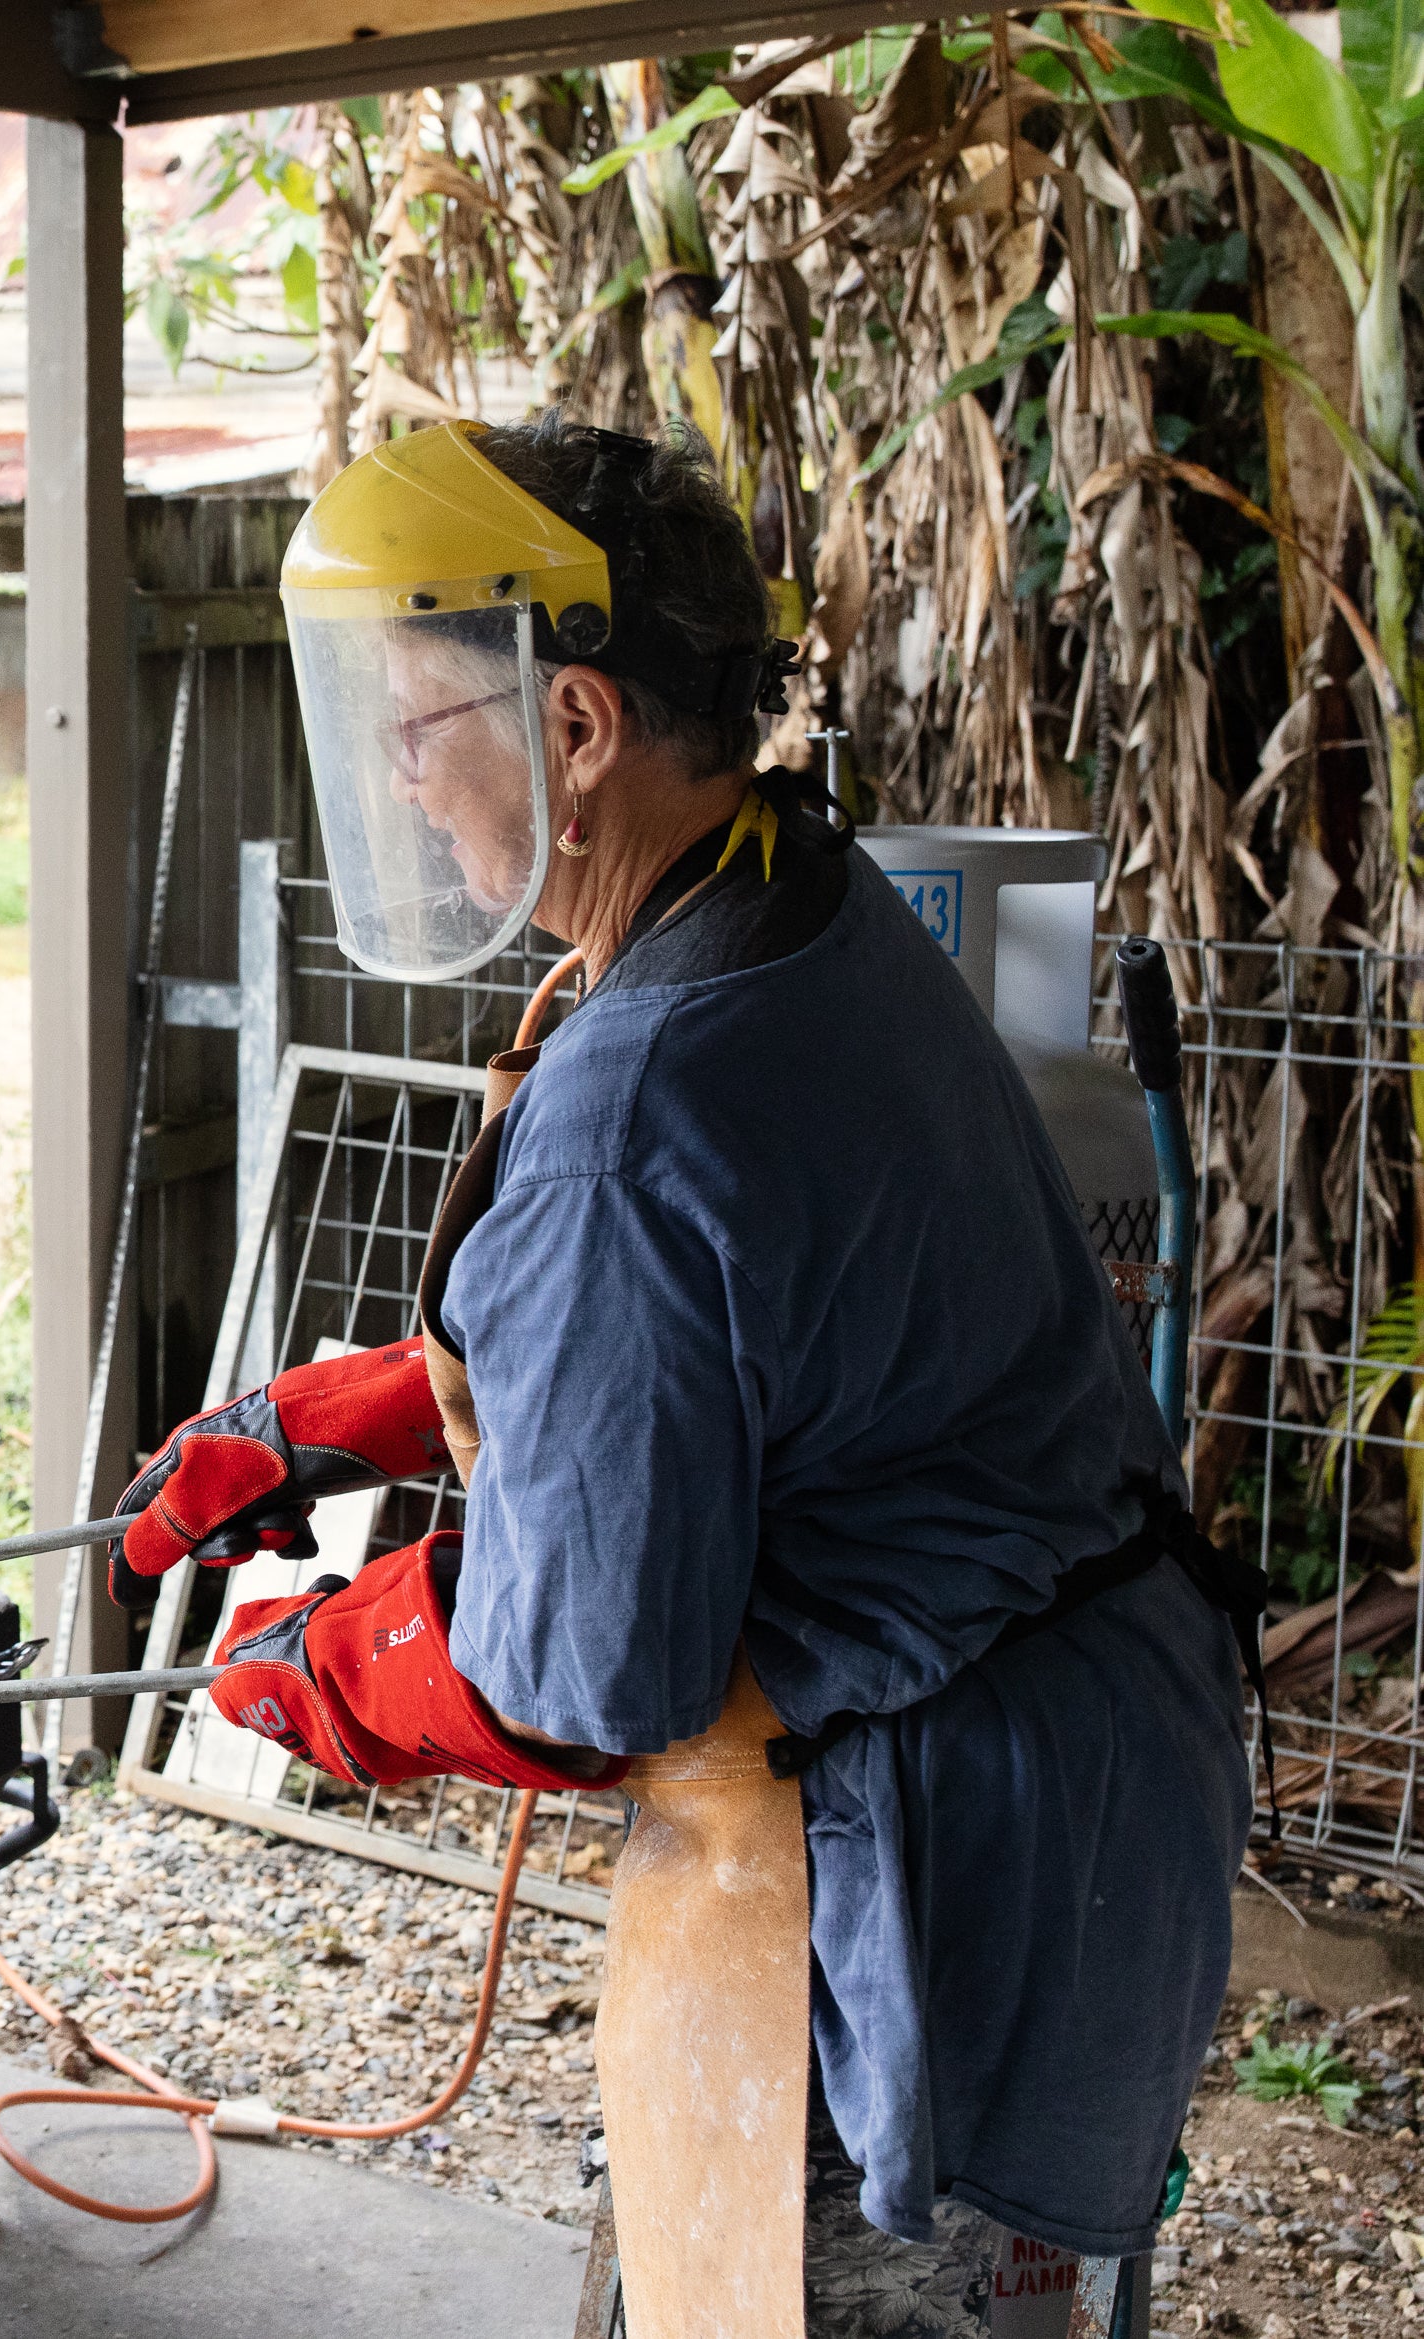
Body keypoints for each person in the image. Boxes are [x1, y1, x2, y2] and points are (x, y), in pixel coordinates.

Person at [113, 415, 1255, 2338]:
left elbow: (590, 1671)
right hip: (1088, 1763)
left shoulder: (635, 1091)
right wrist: (375, 1399)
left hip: (930, 1869)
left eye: (416, 728)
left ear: (572, 727)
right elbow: (765, 1313)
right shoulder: (788, 900)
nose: (399, 787)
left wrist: (350, 1660)